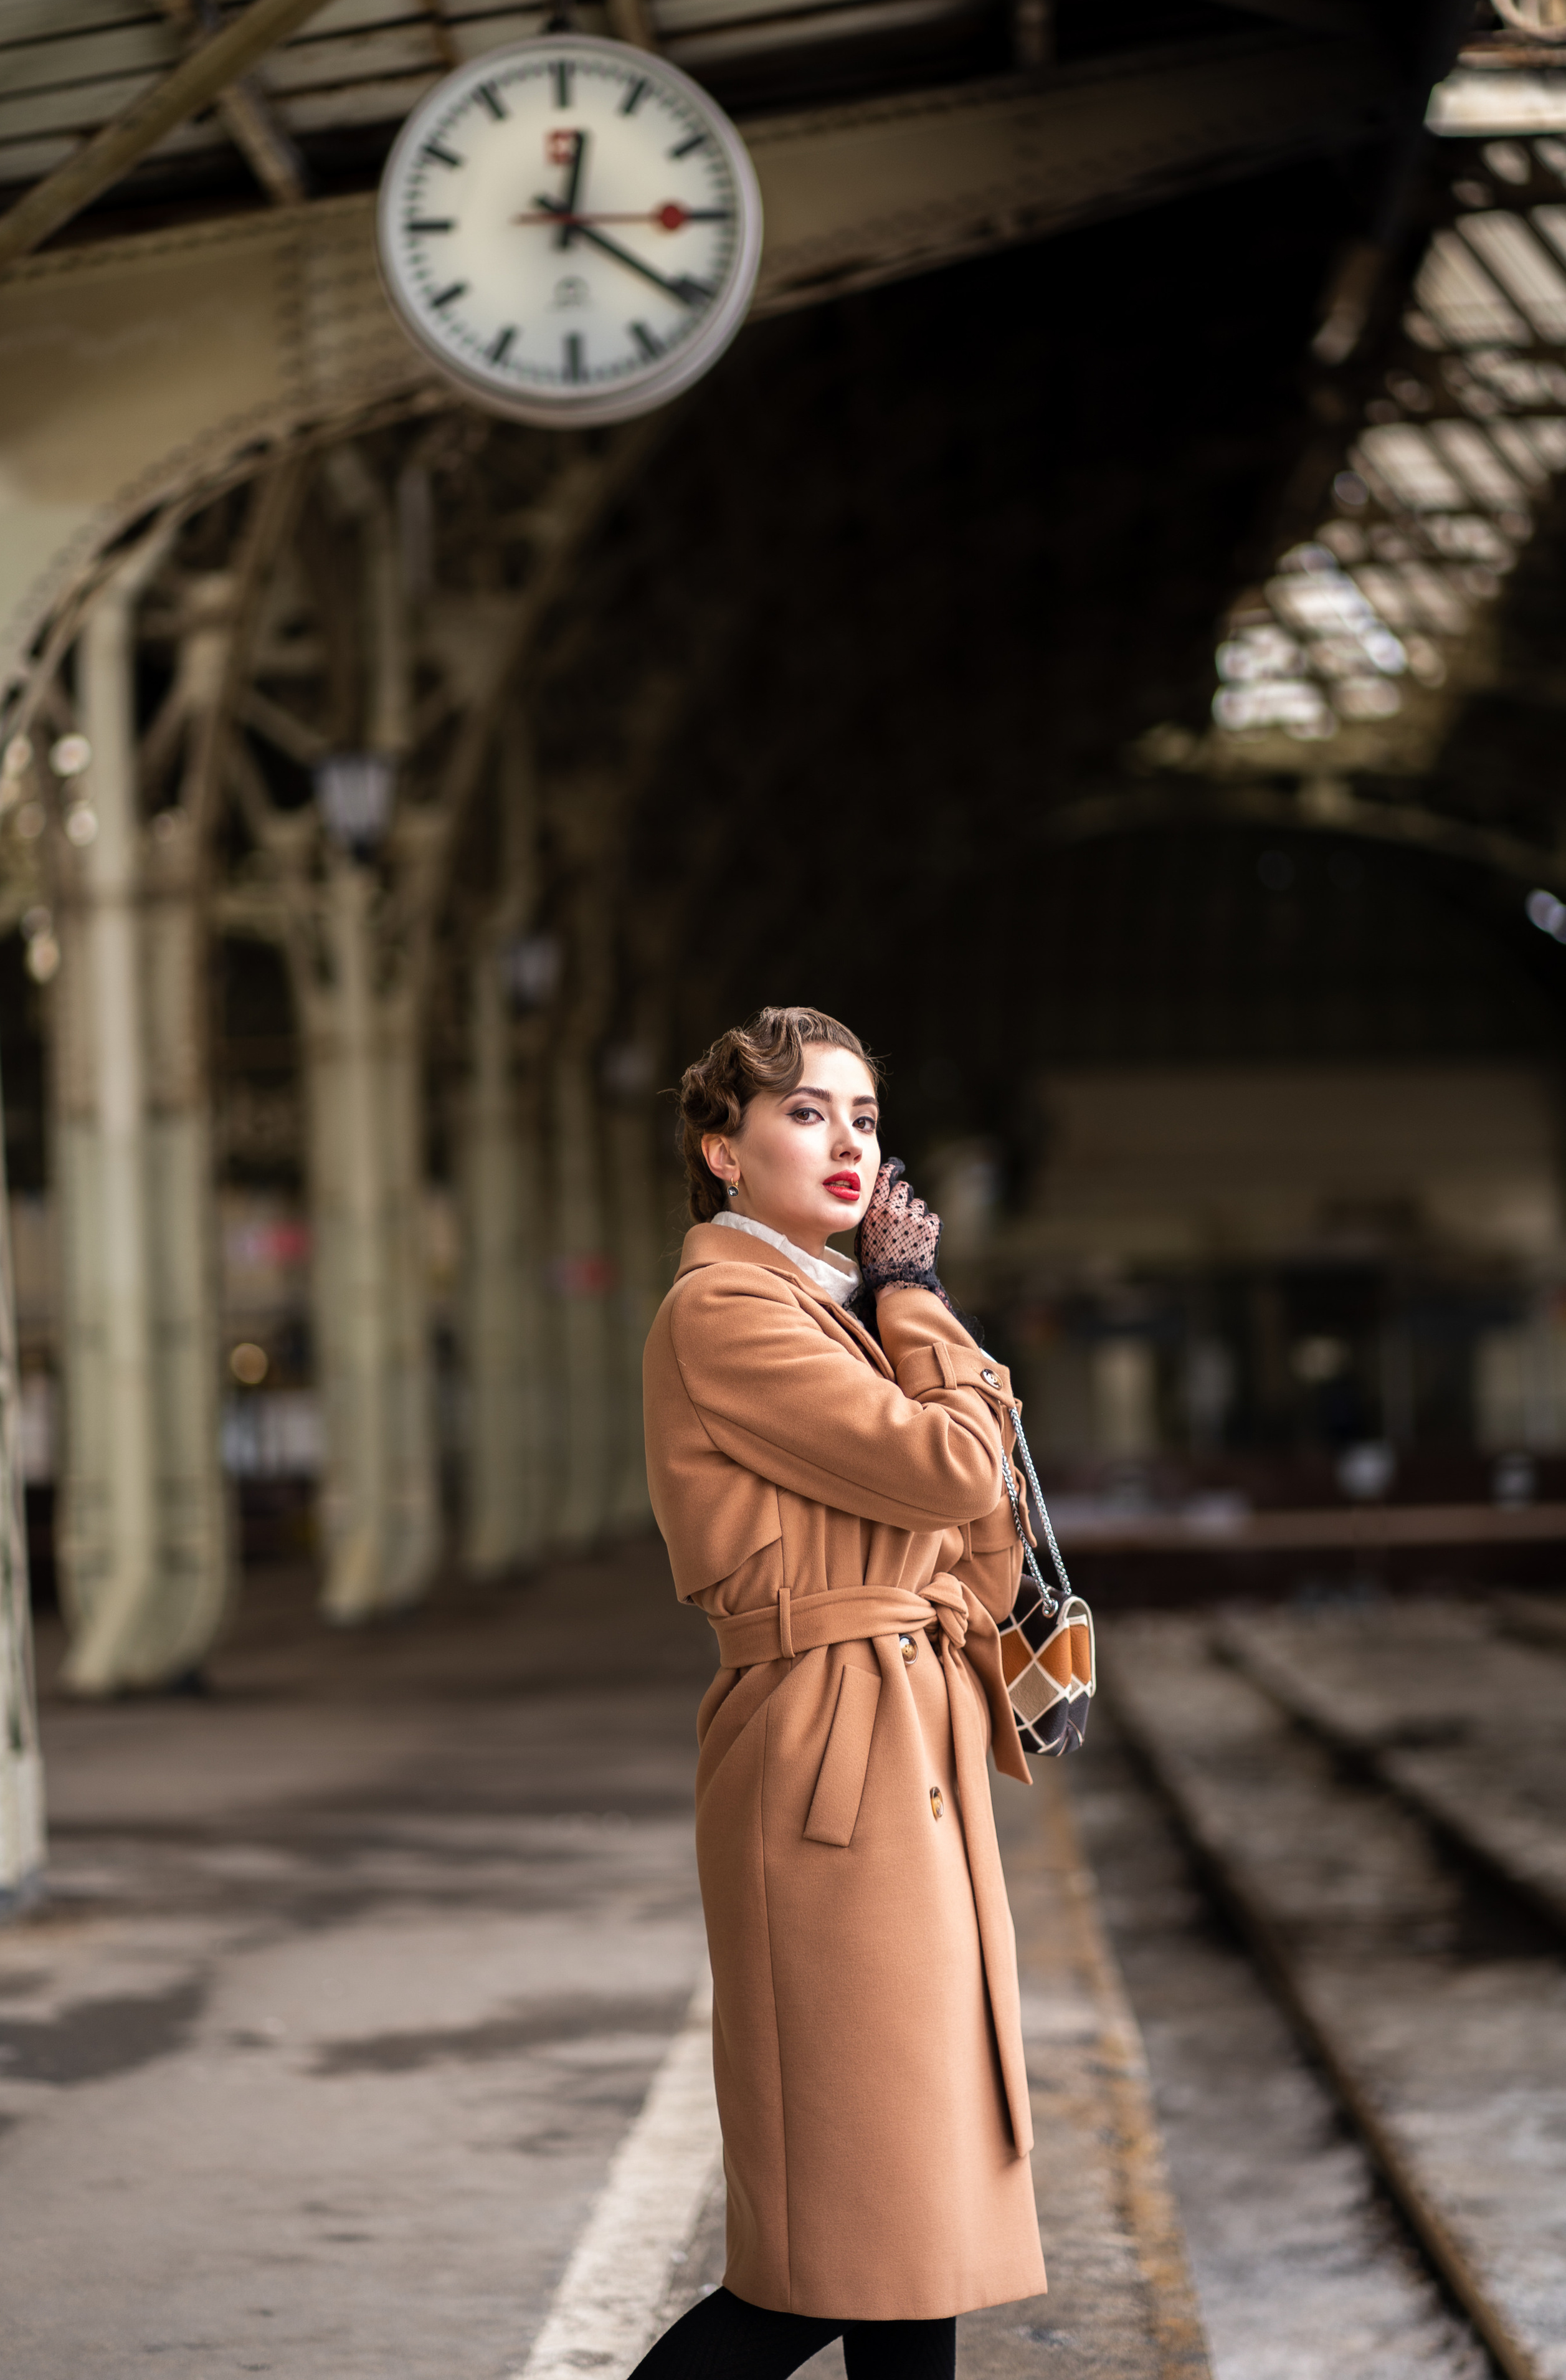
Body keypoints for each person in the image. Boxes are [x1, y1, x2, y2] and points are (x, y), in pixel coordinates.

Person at [635, 1006, 1045, 2380]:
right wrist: (921, 1297)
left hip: (897, 1736)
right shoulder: (727, 1311)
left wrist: (898, 1313)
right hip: (824, 1754)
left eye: (864, 1116)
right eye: (806, 1112)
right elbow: (948, 1473)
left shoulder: (835, 1307)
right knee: (831, 2241)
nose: (847, 1141)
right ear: (724, 1151)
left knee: (905, 2222)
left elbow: (971, 1516)